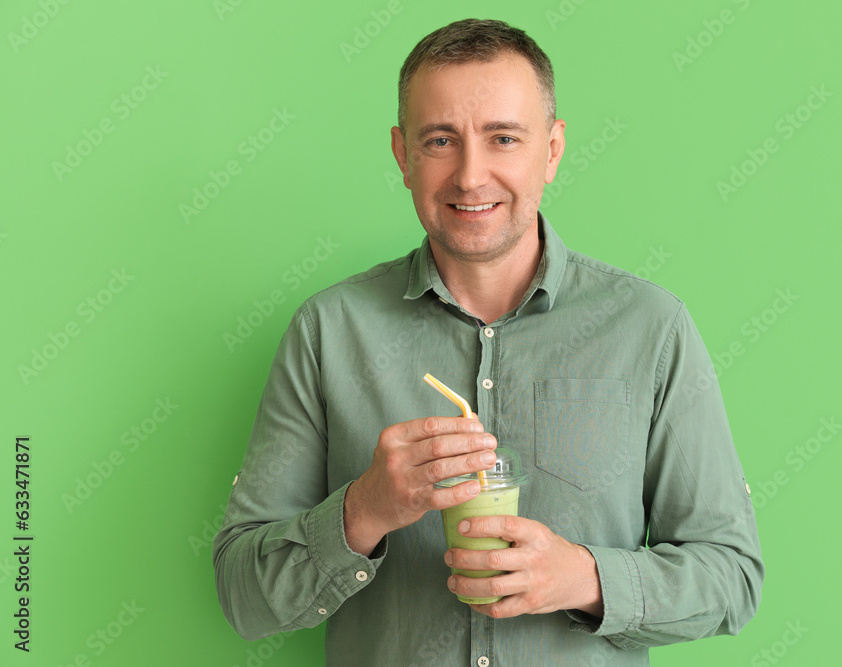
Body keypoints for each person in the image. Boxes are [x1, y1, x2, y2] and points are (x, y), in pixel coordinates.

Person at [213, 18, 764, 667]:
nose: (471, 176)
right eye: (440, 139)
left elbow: (732, 578)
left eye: (503, 138)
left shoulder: (649, 327)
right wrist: (363, 509)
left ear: (552, 150)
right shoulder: (329, 331)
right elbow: (244, 595)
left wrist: (584, 577)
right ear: (403, 154)